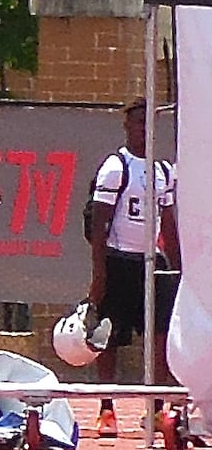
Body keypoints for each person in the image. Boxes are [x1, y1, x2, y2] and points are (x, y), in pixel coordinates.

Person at [80, 99, 178, 379]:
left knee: (162, 335)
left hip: (153, 264)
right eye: (138, 122)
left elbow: (168, 225)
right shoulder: (116, 167)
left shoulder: (163, 171)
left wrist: (179, 269)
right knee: (109, 337)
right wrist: (100, 275)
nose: (144, 129)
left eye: (148, 123)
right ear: (127, 127)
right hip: (120, 260)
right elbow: (99, 226)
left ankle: (158, 406)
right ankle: (107, 407)